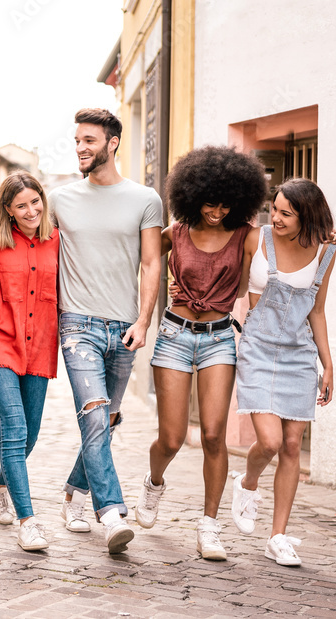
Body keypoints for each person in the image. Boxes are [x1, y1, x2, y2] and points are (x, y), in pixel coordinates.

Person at [132, 146, 266, 561]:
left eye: (226, 203)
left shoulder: (247, 236)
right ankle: (154, 483)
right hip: (174, 334)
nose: (217, 210)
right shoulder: (177, 231)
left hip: (220, 338)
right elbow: (133, 252)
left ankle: (209, 526)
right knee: (172, 439)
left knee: (212, 435)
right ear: (193, 195)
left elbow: (285, 246)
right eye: (210, 201)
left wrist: (325, 243)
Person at [52, 108, 163, 554]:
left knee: (108, 420)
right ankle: (111, 511)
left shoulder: (144, 199)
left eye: (89, 140)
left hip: (124, 328)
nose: (81, 148)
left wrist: (143, 321)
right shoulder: (59, 200)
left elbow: (153, 262)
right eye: (77, 140)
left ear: (112, 143)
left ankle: (73, 493)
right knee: (96, 416)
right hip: (76, 324)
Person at [231, 178, 336, 567]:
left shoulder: (326, 251)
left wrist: (327, 364)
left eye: (285, 213)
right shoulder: (253, 240)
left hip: (299, 354)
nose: (274, 218)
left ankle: (277, 536)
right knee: (271, 441)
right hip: (258, 349)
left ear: (306, 216)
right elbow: (235, 285)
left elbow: (318, 310)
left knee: (293, 445)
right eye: (273, 209)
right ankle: (247, 482)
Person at [0, 172, 59, 551]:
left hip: (40, 346)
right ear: (8, 210)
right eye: (21, 205)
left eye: (35, 201)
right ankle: (29, 522)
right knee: (13, 431)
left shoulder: (58, 241)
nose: (31, 210)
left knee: (30, 435)